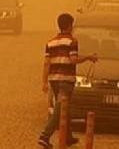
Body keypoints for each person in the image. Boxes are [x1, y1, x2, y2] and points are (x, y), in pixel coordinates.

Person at [38, 13, 98, 148]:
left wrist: (44, 81)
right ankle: (45, 136)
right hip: (66, 80)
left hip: (54, 80)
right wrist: (89, 57)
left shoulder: (51, 42)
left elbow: (46, 63)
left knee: (64, 108)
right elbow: (73, 60)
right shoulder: (72, 41)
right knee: (60, 109)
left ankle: (68, 137)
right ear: (70, 26)